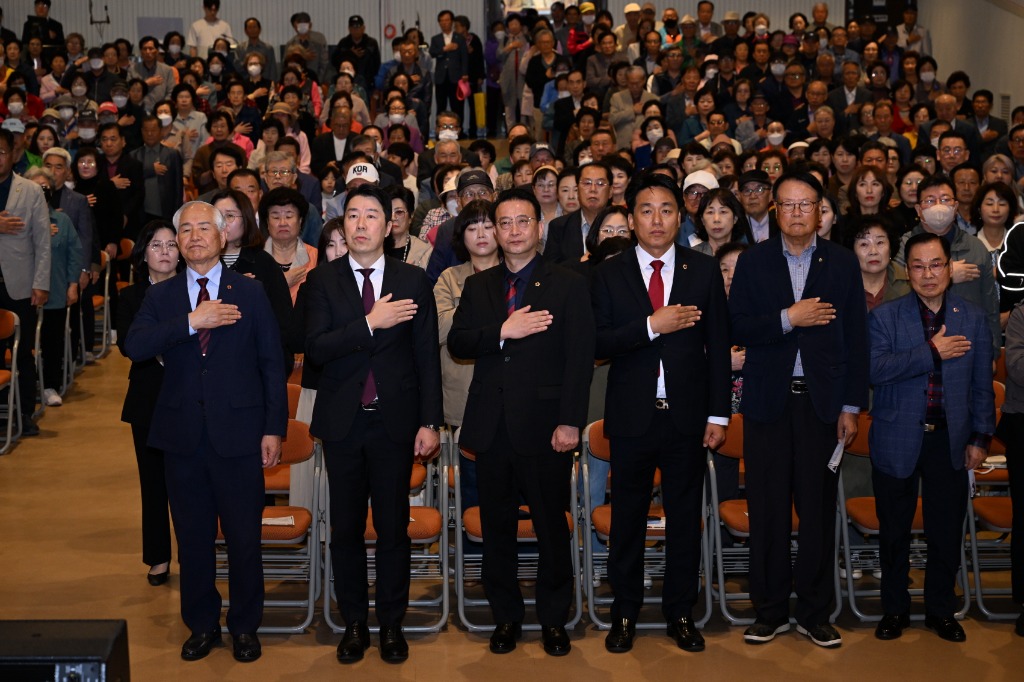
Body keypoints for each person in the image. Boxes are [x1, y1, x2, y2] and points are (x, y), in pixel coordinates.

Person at [124, 200, 287, 663]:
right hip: (181, 436)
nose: (195, 236)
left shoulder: (249, 292)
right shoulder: (162, 296)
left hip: (239, 433)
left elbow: (271, 364)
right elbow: (134, 345)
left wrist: (273, 428)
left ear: (222, 237)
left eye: (204, 228)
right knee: (193, 538)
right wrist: (192, 322)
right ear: (177, 242)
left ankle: (244, 626)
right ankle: (201, 625)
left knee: (242, 537)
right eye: (186, 230)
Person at [448, 187, 594, 657]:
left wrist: (571, 421)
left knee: (552, 527)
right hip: (491, 429)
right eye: (502, 223)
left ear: (539, 228)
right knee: (497, 531)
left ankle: (553, 618)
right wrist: (502, 332)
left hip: (547, 427)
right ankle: (506, 616)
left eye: (521, 222)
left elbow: (579, 359)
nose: (511, 231)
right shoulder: (479, 285)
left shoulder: (567, 283)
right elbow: (460, 343)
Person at [729, 170, 869, 648]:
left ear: (820, 210)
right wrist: (791, 318)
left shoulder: (843, 263)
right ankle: (768, 610)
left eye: (804, 204)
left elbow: (856, 339)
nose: (795, 212)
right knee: (766, 510)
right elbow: (740, 325)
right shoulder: (753, 261)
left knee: (817, 511)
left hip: (822, 406)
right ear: (774, 209)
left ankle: (814, 612)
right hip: (768, 404)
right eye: (786, 204)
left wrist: (851, 405)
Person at [592, 171, 730, 654]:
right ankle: (625, 611)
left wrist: (719, 416)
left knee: (684, 518)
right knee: (628, 517)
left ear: (680, 216)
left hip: (687, 418)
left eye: (667, 209)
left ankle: (680, 612)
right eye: (646, 210)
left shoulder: (703, 269)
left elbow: (716, 345)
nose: (657, 219)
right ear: (631, 219)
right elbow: (598, 342)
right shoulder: (609, 272)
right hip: (632, 417)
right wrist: (651, 325)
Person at [304, 183, 441, 664]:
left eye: (371, 216)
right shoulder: (324, 281)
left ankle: (392, 624)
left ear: (390, 225)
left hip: (394, 422)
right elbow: (316, 348)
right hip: (342, 421)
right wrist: (370, 322)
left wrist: (431, 422)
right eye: (353, 216)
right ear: (343, 226)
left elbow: (427, 358)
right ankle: (355, 623)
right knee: (344, 529)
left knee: (392, 529)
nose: (360, 224)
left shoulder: (413, 281)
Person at [868, 231, 994, 643]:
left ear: (948, 268)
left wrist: (980, 438)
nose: (927, 274)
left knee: (945, 531)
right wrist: (932, 351)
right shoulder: (885, 316)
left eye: (935, 264)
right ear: (908, 270)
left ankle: (941, 609)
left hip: (950, 440)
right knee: (894, 533)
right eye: (918, 266)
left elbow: (981, 386)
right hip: (897, 437)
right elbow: (876, 370)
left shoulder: (972, 317)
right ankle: (894, 609)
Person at [116, 221, 181, 586]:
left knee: (189, 481)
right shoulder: (131, 297)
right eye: (156, 245)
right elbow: (130, 345)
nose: (165, 251)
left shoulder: (195, 290)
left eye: (172, 244)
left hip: (190, 395)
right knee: (153, 481)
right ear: (144, 254)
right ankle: (158, 558)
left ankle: (195, 551)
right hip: (148, 398)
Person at [895, 174, 1001, 357]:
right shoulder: (903, 247)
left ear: (956, 206)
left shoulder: (976, 247)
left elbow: (990, 308)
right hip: (918, 349)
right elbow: (895, 294)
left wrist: (992, 352)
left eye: (945, 199)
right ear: (919, 209)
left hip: (969, 348)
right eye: (930, 200)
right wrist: (947, 276)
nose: (938, 206)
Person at [434, 200, 501, 430]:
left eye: (488, 226)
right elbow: (439, 328)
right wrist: (479, 303)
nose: (480, 234)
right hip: (462, 392)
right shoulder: (449, 278)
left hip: (507, 386)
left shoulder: (514, 274)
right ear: (462, 237)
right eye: (472, 228)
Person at [0, 128, 50, 434]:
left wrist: (41, 283)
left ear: (13, 154)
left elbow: (42, 240)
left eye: (1, 151)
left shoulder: (30, 190)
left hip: (19, 283)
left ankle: (24, 414)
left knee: (23, 352)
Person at [849, 218, 910, 311]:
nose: (873, 251)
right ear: (853, 251)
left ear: (890, 248)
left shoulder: (909, 282)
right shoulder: (841, 286)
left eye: (880, 242)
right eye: (864, 244)